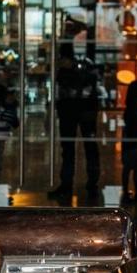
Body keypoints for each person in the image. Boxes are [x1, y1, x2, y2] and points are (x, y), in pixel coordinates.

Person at [48, 41, 101, 200]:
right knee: (78, 149)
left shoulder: (79, 70)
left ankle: (80, 184)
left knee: (78, 149)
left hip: (76, 113)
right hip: (77, 113)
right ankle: (79, 185)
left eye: (62, 59)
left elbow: (80, 92)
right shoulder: (78, 70)